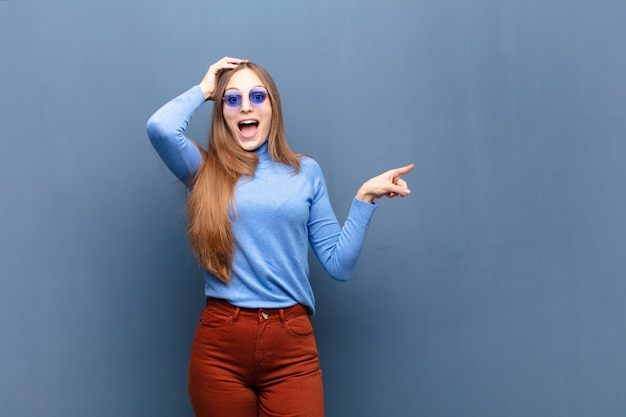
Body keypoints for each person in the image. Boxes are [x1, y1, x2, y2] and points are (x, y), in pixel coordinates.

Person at [146, 56, 414, 417]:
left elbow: (339, 265)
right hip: (221, 344)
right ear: (222, 110)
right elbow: (160, 128)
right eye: (232, 99)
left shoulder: (305, 172)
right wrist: (205, 89)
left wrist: (364, 197)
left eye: (258, 97)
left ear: (273, 107)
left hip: (292, 347)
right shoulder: (204, 169)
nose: (245, 107)